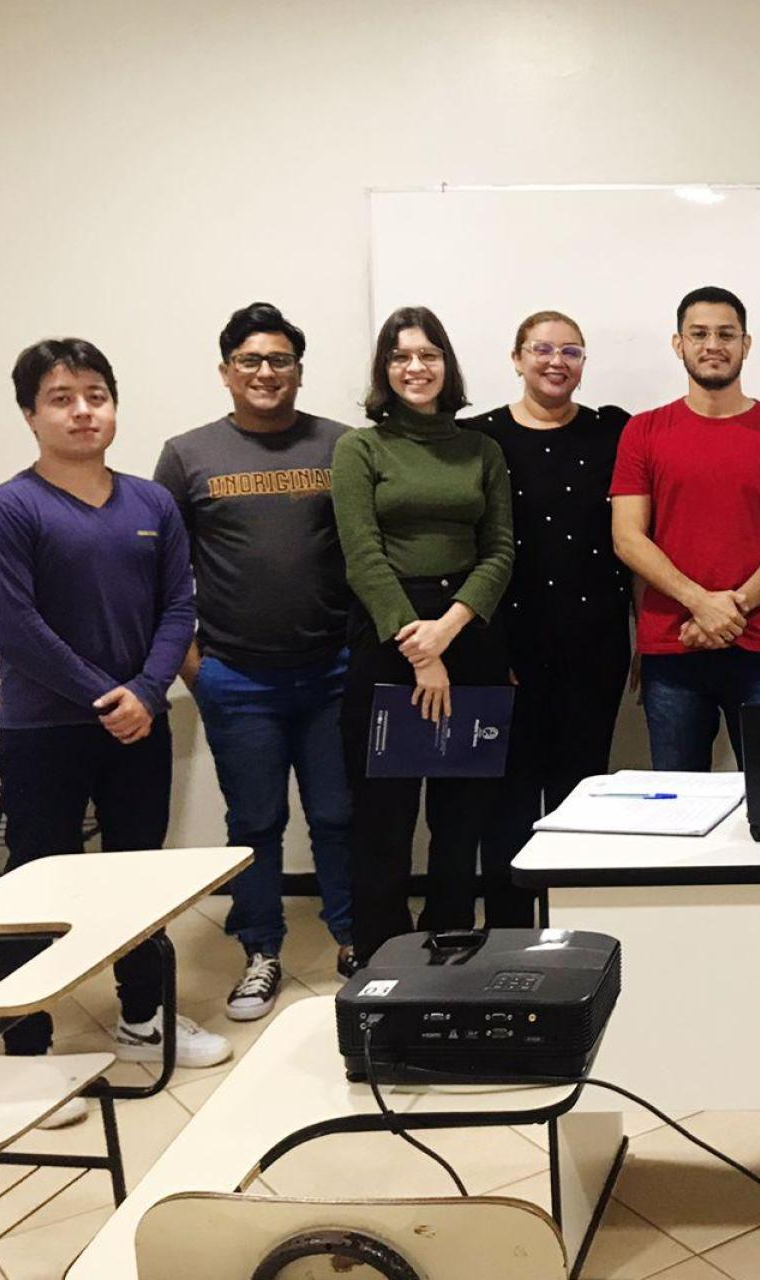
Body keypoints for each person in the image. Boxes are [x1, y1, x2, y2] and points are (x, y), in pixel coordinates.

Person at [0, 339, 232, 1077]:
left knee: (139, 877)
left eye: (95, 395)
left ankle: (143, 1020)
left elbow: (178, 604)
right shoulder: (4, 512)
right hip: (45, 729)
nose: (83, 411)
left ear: (113, 405)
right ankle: (25, 1046)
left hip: (140, 724)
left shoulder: (151, 503)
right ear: (30, 414)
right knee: (34, 884)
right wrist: (103, 693)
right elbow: (14, 628)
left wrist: (145, 692)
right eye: (61, 397)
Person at [154, 303, 357, 1023]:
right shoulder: (188, 454)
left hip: (332, 673)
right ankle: (261, 951)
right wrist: (191, 665)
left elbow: (365, 556)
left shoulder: (342, 446)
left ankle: (351, 940)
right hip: (236, 677)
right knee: (256, 821)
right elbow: (163, 570)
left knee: (338, 816)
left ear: (299, 371)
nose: (266, 373)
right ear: (226, 372)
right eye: (250, 361)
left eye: (279, 361)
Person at [332, 307, 513, 964]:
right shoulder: (360, 448)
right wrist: (420, 648)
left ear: (448, 364)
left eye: (429, 354)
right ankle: (383, 960)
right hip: (388, 639)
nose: (416, 367)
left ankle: (450, 948)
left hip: (468, 633)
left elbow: (498, 551)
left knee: (461, 817)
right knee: (384, 817)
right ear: (385, 368)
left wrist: (449, 630)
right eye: (401, 355)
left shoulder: (480, 449)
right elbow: (362, 555)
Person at [464, 311, 631, 931]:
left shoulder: (615, 432)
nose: (556, 361)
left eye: (572, 351)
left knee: (579, 792)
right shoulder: (478, 439)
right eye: (541, 349)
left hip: (596, 644)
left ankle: (570, 928)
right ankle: (508, 931)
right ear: (516, 358)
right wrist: (485, 651)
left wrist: (643, 635)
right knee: (505, 800)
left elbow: (633, 538)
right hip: (505, 647)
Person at [611, 286, 760, 769]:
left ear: (746, 344)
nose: (713, 345)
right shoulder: (642, 431)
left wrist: (731, 608)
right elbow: (627, 537)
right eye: (699, 333)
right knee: (678, 799)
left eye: (726, 334)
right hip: (673, 645)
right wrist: (701, 603)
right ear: (677, 343)